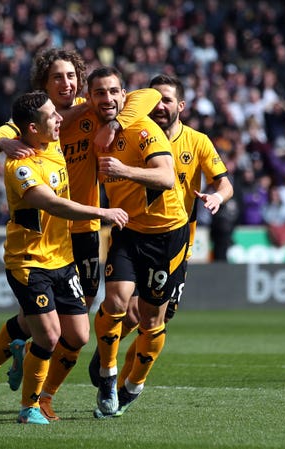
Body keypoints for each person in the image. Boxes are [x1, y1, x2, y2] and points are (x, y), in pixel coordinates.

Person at [0, 48, 160, 421]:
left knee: (72, 327)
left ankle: (38, 384)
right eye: (57, 77)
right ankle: (6, 377)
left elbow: (148, 94)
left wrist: (113, 124)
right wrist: (5, 142)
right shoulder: (36, 117)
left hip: (85, 230)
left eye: (72, 76)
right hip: (48, 233)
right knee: (47, 322)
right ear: (44, 83)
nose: (67, 83)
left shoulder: (94, 106)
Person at [88, 74, 233, 397]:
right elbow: (134, 98)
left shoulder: (197, 141)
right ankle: (109, 365)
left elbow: (225, 182)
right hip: (134, 229)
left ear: (180, 105)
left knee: (154, 317)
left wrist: (217, 197)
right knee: (122, 301)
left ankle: (127, 380)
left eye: (167, 100)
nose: (160, 106)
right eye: (156, 100)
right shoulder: (139, 130)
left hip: (176, 240)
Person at [85, 67, 190, 418]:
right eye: (100, 93)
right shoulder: (89, 121)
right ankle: (108, 374)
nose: (108, 99)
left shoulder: (144, 129)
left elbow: (165, 177)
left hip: (166, 234)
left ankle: (134, 385)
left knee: (151, 320)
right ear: (91, 98)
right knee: (114, 301)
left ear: (124, 95)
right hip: (128, 228)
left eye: (115, 92)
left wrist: (123, 170)